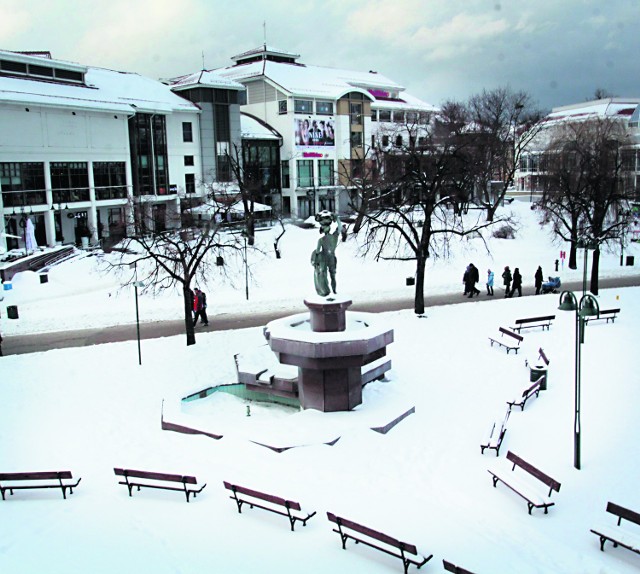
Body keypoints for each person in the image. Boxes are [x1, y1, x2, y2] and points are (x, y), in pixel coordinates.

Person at [311, 211, 342, 296]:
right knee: (330, 276)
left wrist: (337, 218)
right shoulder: (332, 237)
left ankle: (333, 291)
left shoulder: (325, 239)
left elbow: (317, 251)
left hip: (328, 258)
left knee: (331, 276)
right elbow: (340, 228)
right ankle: (331, 291)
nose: (326, 228)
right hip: (328, 258)